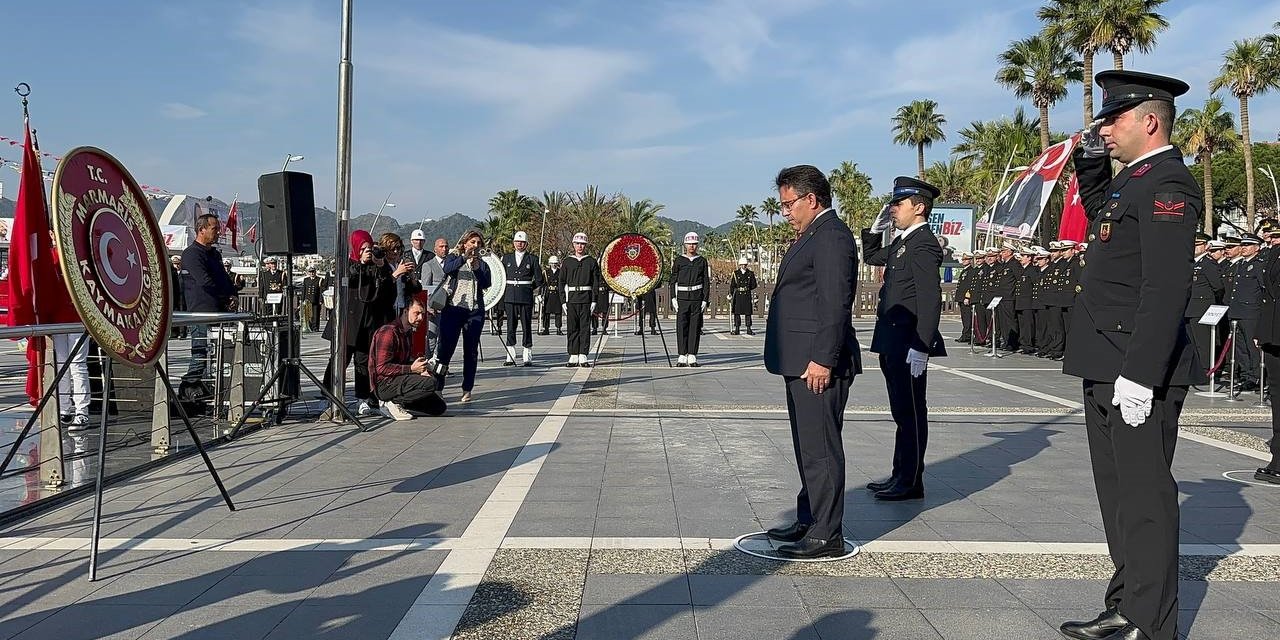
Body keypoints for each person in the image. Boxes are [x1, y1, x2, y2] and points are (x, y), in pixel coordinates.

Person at [1060, 70, 1203, 640]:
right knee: (1118, 496)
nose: (1104, 127)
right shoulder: (1132, 182)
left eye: (1113, 118)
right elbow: (1102, 221)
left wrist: (1141, 375)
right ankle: (1125, 604)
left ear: (1149, 121)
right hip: (1105, 360)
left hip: (1134, 367)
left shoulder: (1168, 185)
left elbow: (1166, 289)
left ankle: (1153, 623)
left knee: (1145, 499)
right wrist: (1092, 164)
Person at [762, 165, 861, 559]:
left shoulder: (832, 237)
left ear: (811, 199)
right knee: (808, 446)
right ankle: (809, 517)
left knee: (821, 448)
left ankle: (826, 533)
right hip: (799, 361)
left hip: (817, 365)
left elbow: (835, 303)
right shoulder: (813, 235)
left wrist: (822, 359)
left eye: (789, 204)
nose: (785, 212)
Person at [861, 177, 946, 502]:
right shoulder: (903, 241)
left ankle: (910, 481)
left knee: (911, 412)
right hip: (893, 341)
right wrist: (875, 226)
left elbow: (929, 299)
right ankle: (900, 473)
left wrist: (922, 347)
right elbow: (871, 257)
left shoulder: (923, 243)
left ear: (919, 207)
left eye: (899, 204)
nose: (893, 209)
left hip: (910, 344)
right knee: (901, 411)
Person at [322, 230, 394, 416]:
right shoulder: (347, 264)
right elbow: (348, 279)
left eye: (370, 248)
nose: (367, 252)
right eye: (363, 248)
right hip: (347, 322)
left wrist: (381, 266)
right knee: (339, 360)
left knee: (363, 362)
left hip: (367, 323)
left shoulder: (376, 266)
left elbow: (387, 291)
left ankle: (362, 398)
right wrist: (361, 263)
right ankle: (329, 395)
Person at [180, 214, 238, 395]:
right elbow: (204, 281)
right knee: (200, 354)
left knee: (219, 356)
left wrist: (233, 295)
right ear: (201, 229)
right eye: (214, 229)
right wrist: (224, 297)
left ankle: (207, 392)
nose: (218, 233)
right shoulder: (191, 254)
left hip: (220, 312)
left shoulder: (215, 254)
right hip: (201, 312)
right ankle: (188, 390)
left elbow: (224, 279)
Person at [369, 295, 447, 420]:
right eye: (416, 313)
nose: (420, 318)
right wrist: (411, 369)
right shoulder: (388, 332)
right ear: (405, 311)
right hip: (384, 384)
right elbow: (381, 368)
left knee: (438, 407)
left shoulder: (408, 332)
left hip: (398, 378)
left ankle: (401, 403)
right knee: (431, 383)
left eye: (422, 314)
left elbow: (404, 360)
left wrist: (422, 368)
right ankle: (390, 402)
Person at [436, 230, 492, 402]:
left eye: (478, 243)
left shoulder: (482, 264)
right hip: (453, 309)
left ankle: (467, 388)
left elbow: (487, 283)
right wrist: (463, 258)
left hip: (474, 312)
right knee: (445, 350)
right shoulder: (454, 257)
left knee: (471, 351)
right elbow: (447, 268)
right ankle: (438, 386)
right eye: (472, 242)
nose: (475, 246)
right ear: (465, 243)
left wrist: (476, 267)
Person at [1254, 225, 1280, 484]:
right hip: (1274, 335)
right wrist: (1262, 331)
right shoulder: (1274, 254)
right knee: (1277, 396)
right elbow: (1268, 297)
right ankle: (1278, 457)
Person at [501, 231, 544, 366]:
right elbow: (501, 276)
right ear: (513, 243)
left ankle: (527, 354)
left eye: (522, 242)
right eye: (517, 241)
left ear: (526, 244)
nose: (519, 244)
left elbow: (539, 279)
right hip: (510, 296)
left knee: (526, 326)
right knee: (510, 326)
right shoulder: (506, 258)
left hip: (525, 296)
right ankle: (510, 355)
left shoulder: (532, 259)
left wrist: (529, 288)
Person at [1229, 234, 1264, 392]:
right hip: (1237, 311)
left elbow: (1263, 289)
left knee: (1252, 347)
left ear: (1257, 248)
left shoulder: (1258, 265)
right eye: (1242, 245)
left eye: (1248, 245)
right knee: (1240, 348)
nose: (1243, 247)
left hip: (1251, 312)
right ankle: (1247, 375)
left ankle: (1258, 377)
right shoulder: (1240, 264)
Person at [1185, 232, 1224, 374]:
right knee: (1193, 342)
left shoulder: (1208, 264)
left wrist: (1210, 303)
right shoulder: (1192, 263)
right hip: (1190, 308)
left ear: (1206, 246)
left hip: (1202, 308)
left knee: (1203, 342)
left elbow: (1218, 286)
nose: (1194, 247)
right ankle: (1196, 369)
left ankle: (1206, 369)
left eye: (1198, 244)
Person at [670, 232, 710, 366]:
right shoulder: (679, 260)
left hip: (696, 298)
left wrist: (705, 299)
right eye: (689, 244)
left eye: (694, 244)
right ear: (685, 245)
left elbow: (706, 281)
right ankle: (682, 354)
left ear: (697, 245)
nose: (692, 246)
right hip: (682, 298)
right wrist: (673, 298)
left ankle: (692, 354)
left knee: (695, 326)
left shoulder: (702, 261)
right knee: (682, 326)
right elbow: (672, 280)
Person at [560, 232, 599, 367]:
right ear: (573, 244)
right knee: (572, 327)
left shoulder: (591, 261)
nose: (580, 246)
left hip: (586, 298)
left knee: (584, 328)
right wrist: (563, 301)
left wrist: (594, 300)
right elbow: (561, 282)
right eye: (577, 244)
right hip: (572, 299)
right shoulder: (567, 262)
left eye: (582, 244)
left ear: (586, 245)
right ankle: (573, 354)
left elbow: (595, 282)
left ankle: (583, 354)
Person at [420, 236, 448, 357]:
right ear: (435, 249)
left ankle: (442, 365)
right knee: (432, 339)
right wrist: (428, 307)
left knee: (446, 339)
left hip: (449, 308)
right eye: (441, 246)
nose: (444, 249)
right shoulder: (428, 265)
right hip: (434, 308)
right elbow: (425, 288)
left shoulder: (454, 264)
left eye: (446, 246)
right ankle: (427, 364)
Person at [729, 257, 758, 335]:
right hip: (738, 295)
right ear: (739, 265)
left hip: (746, 295)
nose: (743, 266)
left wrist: (747, 288)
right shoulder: (735, 273)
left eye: (745, 265)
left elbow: (754, 284)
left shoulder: (750, 273)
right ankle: (737, 328)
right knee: (737, 313)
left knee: (748, 312)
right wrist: (730, 294)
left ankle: (749, 328)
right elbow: (732, 285)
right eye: (742, 265)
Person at [540, 255, 564, 336]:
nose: (553, 264)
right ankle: (546, 328)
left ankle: (558, 328)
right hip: (548, 294)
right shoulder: (546, 272)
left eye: (555, 263)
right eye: (552, 263)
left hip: (557, 294)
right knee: (546, 313)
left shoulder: (561, 272)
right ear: (550, 263)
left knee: (558, 312)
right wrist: (540, 295)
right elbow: (542, 284)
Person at [954, 252, 975, 343]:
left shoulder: (971, 271)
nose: (963, 261)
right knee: (964, 317)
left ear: (970, 261)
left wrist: (967, 297)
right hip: (961, 297)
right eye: (963, 259)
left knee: (967, 318)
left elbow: (969, 286)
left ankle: (967, 335)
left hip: (966, 298)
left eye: (966, 259)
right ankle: (965, 334)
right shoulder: (964, 270)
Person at [300, 267, 322, 332]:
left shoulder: (319, 279)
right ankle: (309, 326)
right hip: (308, 299)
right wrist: (302, 299)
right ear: (308, 273)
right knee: (308, 314)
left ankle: (315, 327)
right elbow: (304, 290)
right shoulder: (306, 280)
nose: (312, 273)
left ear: (315, 272)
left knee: (316, 314)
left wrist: (321, 300)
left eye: (313, 272)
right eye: (310, 272)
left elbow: (321, 291)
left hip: (315, 299)